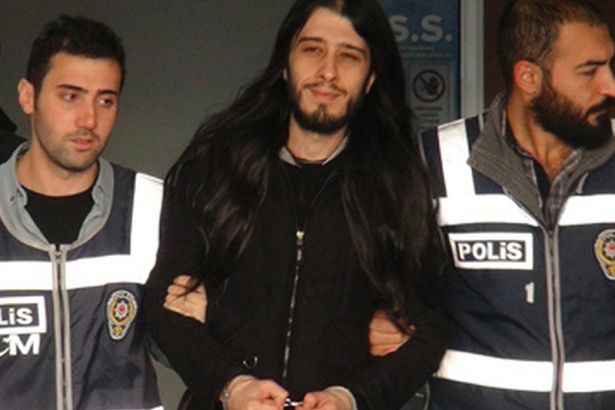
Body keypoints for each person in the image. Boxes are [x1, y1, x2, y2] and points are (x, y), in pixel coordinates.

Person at [144, 0, 447, 409]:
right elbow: (164, 305)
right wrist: (232, 385)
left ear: (371, 78)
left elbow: (429, 331)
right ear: (285, 65)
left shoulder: (398, 187)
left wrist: (351, 398)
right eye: (312, 49)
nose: (328, 71)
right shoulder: (214, 171)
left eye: (349, 56)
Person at [368, 0, 615, 408]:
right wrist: (378, 316)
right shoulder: (433, 161)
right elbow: (374, 280)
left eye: (609, 65)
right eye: (590, 71)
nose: (610, 86)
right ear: (529, 77)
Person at [0, 15, 164, 410]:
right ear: (27, 96)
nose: (89, 120)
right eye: (70, 96)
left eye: (105, 100)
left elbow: (187, 345)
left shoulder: (155, 205)